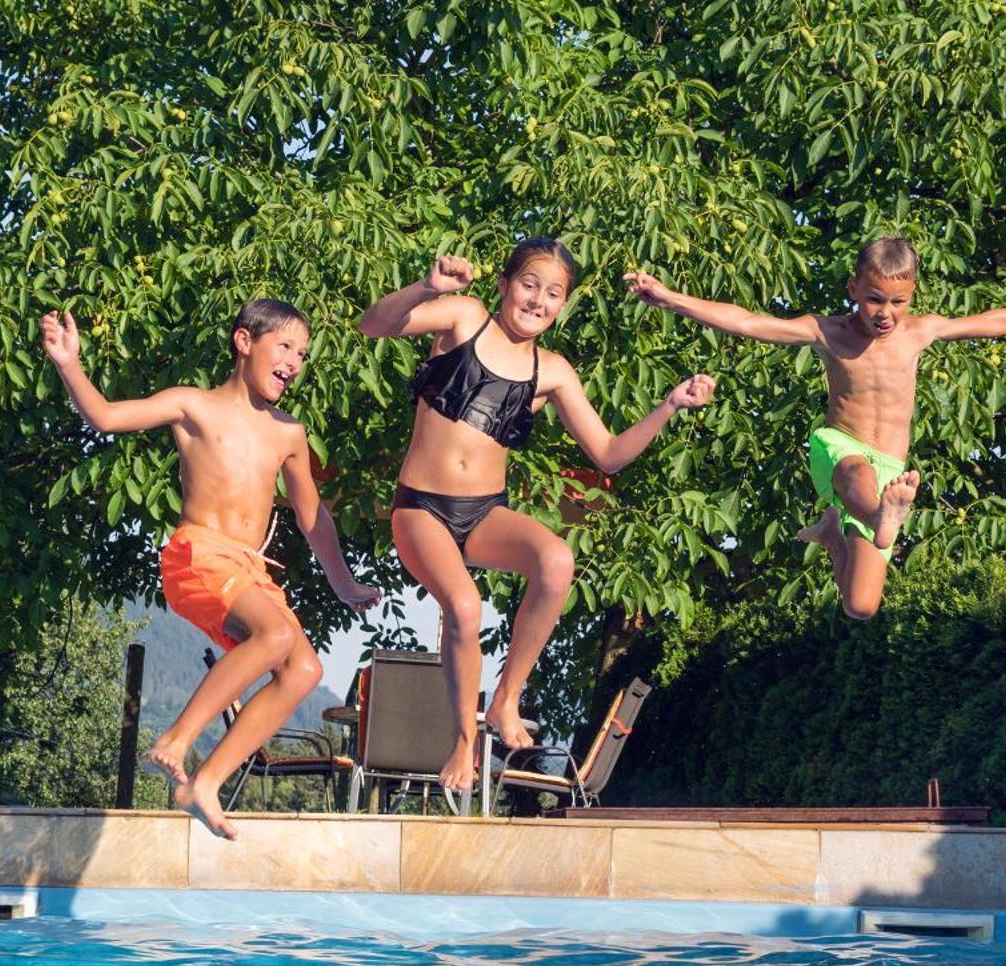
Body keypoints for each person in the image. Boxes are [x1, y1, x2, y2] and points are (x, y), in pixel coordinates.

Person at [358, 239, 716, 793]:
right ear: (503, 284)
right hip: (421, 508)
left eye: (553, 293)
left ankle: (507, 697)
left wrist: (668, 406)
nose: (538, 300)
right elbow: (373, 326)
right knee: (464, 604)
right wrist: (427, 287)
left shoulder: (551, 371)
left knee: (555, 560)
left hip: (484, 513)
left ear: (563, 304)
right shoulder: (464, 318)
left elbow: (609, 454)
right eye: (529, 284)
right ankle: (461, 740)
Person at [40, 298, 381, 839]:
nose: (295, 361)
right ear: (244, 341)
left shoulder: (289, 433)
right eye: (285, 346)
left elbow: (313, 518)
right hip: (198, 554)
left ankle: (204, 783)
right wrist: (69, 363)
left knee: (303, 671)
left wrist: (342, 583)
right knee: (274, 634)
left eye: (303, 354)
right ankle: (175, 739)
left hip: (250, 570)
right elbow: (104, 417)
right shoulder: (192, 406)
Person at [626, 237, 1006, 619]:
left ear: (912, 297)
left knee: (861, 605)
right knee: (856, 476)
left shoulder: (919, 332)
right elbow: (748, 322)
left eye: (897, 302)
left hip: (889, 470)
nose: (885, 312)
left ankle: (834, 536)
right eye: (873, 299)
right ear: (853, 288)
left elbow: (988, 323)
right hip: (840, 449)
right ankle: (876, 518)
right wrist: (670, 298)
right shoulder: (826, 332)